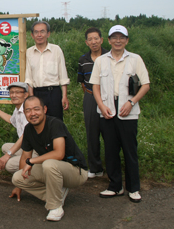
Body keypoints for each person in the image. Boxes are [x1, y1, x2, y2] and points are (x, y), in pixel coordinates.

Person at [90, 25, 150, 203]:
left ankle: (134, 188)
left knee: (129, 150)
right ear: (108, 40)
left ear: (127, 40)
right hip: (107, 109)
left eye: (121, 37)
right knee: (110, 149)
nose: (118, 41)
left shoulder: (135, 59)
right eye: (114, 37)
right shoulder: (101, 60)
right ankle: (115, 186)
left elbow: (145, 84)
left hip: (127, 109)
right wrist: (101, 105)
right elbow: (95, 85)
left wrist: (132, 102)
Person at [11, 96, 88, 222]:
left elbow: (59, 154)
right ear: (24, 113)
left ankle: (55, 207)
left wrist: (32, 162)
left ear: (44, 109)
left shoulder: (55, 124)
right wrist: (20, 187)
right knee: (17, 178)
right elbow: (25, 156)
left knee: (49, 164)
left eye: (36, 109)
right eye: (28, 110)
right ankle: (57, 194)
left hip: (75, 171)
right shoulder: (29, 129)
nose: (33, 113)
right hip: (54, 169)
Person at [77, 27, 108, 179]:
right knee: (92, 133)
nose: (94, 42)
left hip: (108, 98)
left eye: (96, 38)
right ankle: (95, 168)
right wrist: (91, 96)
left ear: (101, 40)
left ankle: (112, 167)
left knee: (110, 133)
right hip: (90, 97)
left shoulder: (110, 56)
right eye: (90, 39)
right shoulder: (83, 60)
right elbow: (82, 82)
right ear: (86, 42)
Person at [25, 21, 70, 121]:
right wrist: (31, 98)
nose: (39, 35)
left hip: (53, 92)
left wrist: (64, 96)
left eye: (42, 31)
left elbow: (63, 75)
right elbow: (29, 78)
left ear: (48, 34)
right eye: (36, 32)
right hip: (37, 92)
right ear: (32, 35)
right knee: (37, 122)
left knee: (56, 122)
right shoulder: (29, 52)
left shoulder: (56, 50)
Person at [0, 82, 35, 173]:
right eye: (11, 92)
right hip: (27, 145)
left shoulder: (28, 110)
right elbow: (11, 120)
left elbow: (25, 135)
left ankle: (34, 170)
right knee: (5, 147)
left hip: (35, 149)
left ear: (26, 95)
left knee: (9, 165)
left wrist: (8, 155)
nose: (14, 95)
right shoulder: (18, 108)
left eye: (18, 92)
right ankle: (26, 163)